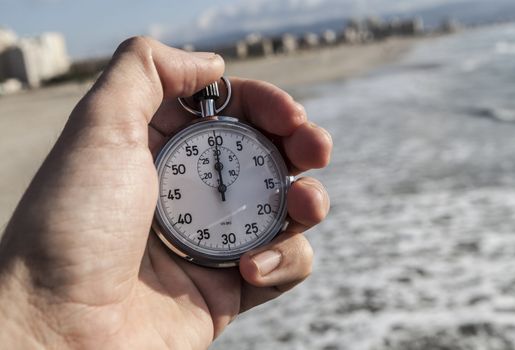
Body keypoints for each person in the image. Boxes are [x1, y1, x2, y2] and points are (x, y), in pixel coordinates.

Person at [0, 37, 332, 349]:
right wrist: (44, 313)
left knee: (301, 198)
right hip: (152, 281)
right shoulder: (156, 151)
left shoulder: (203, 150)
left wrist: (37, 320)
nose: (219, 186)